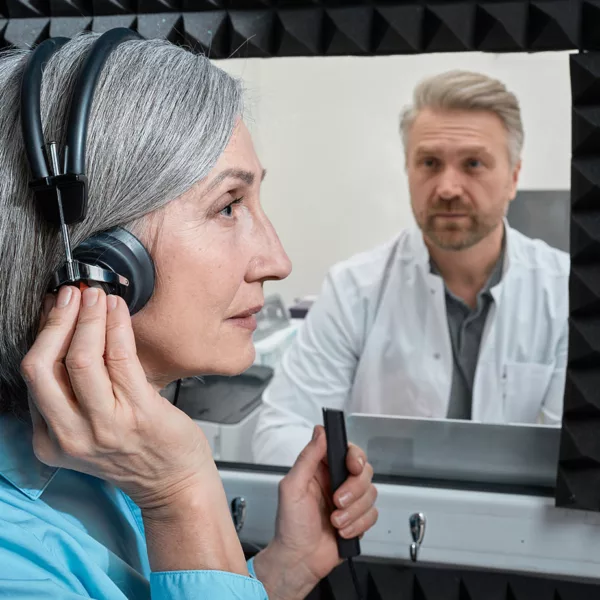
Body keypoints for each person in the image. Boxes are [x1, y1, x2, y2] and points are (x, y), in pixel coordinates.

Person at [0, 32, 379, 599]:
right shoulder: (16, 565)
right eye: (228, 206)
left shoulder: (108, 465)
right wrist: (182, 497)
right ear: (98, 263)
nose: (277, 261)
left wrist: (284, 570)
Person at [253, 69, 570, 467]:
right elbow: (280, 427)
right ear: (408, 169)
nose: (448, 187)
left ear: (514, 177)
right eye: (430, 163)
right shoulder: (355, 288)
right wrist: (345, 477)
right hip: (383, 520)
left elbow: (576, 452)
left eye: (473, 163)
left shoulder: (565, 291)